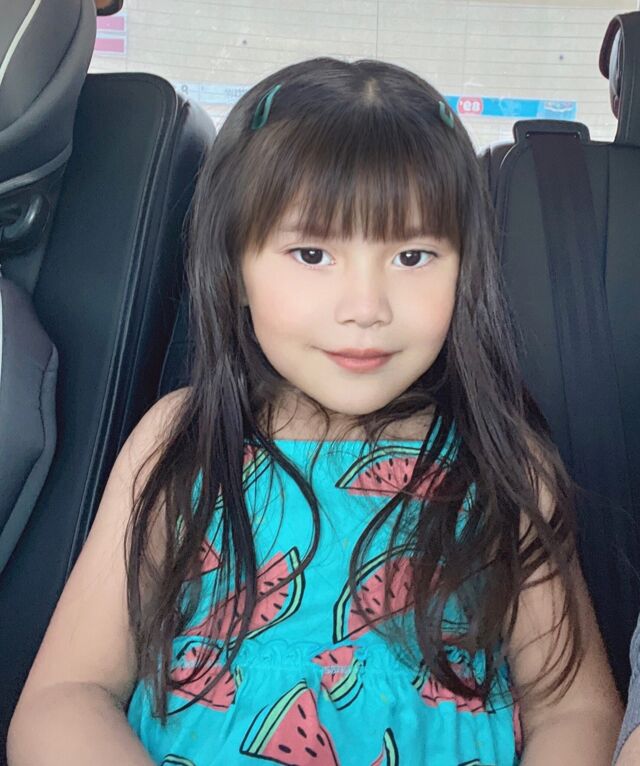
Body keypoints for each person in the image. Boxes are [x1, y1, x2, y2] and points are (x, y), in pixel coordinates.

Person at [7, 57, 622, 766]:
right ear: (236, 270)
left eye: (413, 256)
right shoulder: (180, 441)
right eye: (311, 253)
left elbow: (576, 708)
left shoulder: (503, 463)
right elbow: (66, 695)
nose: (366, 307)